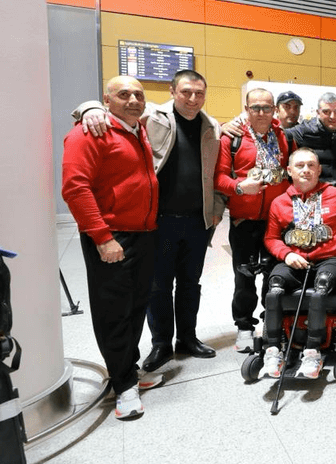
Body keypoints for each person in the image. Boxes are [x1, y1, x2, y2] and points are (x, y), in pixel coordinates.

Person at [74, 70, 225, 373]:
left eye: (199, 93)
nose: (192, 98)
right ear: (172, 91)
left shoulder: (213, 126)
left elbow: (216, 171)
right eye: (186, 92)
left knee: (190, 284)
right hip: (159, 222)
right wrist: (88, 108)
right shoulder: (151, 116)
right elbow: (115, 112)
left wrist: (217, 209)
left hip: (197, 222)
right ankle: (161, 343)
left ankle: (187, 338)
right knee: (158, 286)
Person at [62, 76, 161, 420]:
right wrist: (103, 238)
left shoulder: (137, 129)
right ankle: (123, 386)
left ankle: (128, 370)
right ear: (106, 100)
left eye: (138, 94)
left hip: (144, 233)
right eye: (123, 94)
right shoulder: (89, 132)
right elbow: (75, 188)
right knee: (113, 312)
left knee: (136, 306)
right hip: (112, 236)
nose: (133, 100)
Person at [262, 149, 336, 379]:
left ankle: (313, 352)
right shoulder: (279, 203)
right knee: (274, 285)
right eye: (300, 165)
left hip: (333, 260)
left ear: (319, 170)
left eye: (311, 165)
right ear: (289, 171)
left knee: (322, 284)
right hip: (296, 261)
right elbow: (271, 238)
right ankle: (272, 351)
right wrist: (285, 254)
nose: (306, 170)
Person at [214, 88, 292, 352]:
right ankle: (244, 326)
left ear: (274, 110)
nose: (261, 113)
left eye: (267, 108)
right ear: (246, 109)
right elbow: (219, 178)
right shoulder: (232, 138)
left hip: (276, 222)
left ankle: (272, 322)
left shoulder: (284, 137)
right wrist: (239, 187)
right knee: (244, 278)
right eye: (255, 107)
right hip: (244, 221)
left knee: (275, 275)